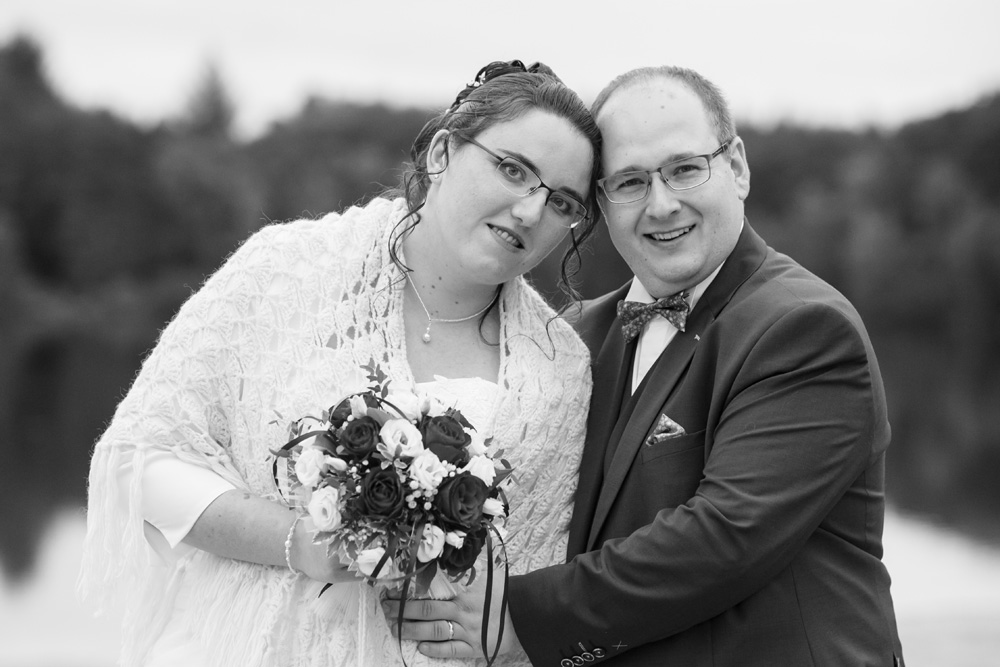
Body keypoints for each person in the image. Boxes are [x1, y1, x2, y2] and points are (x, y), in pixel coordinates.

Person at [78, 59, 602, 667]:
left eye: (562, 202)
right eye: (513, 170)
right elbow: (139, 461)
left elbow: (531, 584)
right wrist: (298, 542)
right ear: (442, 153)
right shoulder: (284, 270)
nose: (531, 212)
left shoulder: (559, 373)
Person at [390, 66, 905, 666]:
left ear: (737, 167)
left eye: (684, 169)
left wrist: (517, 618)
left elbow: (724, 539)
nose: (661, 205)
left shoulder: (804, 329)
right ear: (602, 204)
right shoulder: (572, 337)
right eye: (630, 182)